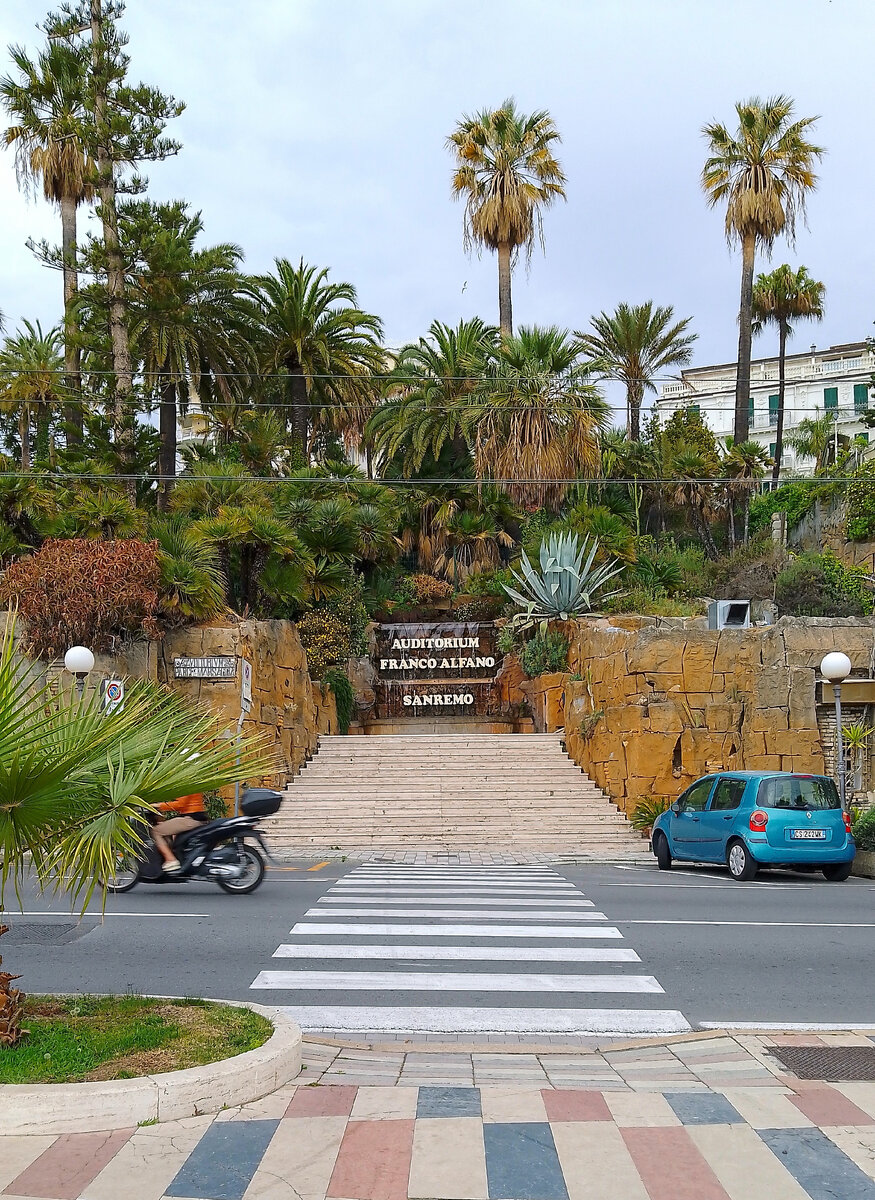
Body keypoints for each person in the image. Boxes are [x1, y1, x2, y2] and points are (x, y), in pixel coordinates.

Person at [152, 793, 208, 873]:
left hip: (190, 819)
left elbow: (179, 804)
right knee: (163, 827)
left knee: (156, 831)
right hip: (194, 818)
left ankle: (171, 859)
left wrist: (157, 806)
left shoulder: (187, 784)